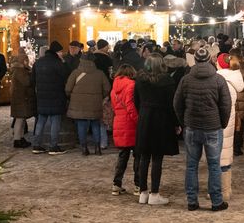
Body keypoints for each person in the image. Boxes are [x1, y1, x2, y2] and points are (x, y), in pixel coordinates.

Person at [173, 46, 232, 212]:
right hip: (213, 126)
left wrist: (184, 121)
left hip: (192, 126)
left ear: (195, 60)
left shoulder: (186, 79)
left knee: (191, 165)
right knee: (214, 165)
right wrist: (222, 122)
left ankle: (192, 201)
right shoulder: (218, 79)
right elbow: (226, 104)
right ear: (208, 59)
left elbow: (177, 103)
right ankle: (216, 201)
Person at [134, 53, 179, 205]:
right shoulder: (167, 81)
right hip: (161, 120)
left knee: (144, 156)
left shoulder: (140, 80)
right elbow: (172, 104)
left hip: (145, 117)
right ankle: (154, 193)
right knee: (157, 157)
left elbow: (136, 101)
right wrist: (176, 123)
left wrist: (143, 112)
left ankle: (143, 192)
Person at [65, 52, 110, 156]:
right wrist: (101, 96)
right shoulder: (100, 73)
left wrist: (72, 96)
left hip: (79, 104)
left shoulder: (75, 73)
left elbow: (67, 89)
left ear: (81, 61)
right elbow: (107, 88)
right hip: (95, 103)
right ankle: (98, 148)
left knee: (81, 126)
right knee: (95, 125)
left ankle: (84, 148)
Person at [30, 40, 68, 154]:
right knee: (55, 121)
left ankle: (36, 145)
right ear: (56, 52)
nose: (62, 53)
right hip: (56, 96)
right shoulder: (58, 63)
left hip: (41, 96)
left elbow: (32, 80)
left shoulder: (38, 62)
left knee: (41, 120)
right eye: (61, 51)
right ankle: (53, 146)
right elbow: (65, 77)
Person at [216, 53, 243, 203]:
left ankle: (221, 190)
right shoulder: (234, 79)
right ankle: (227, 189)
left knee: (218, 156)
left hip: (220, 120)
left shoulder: (221, 80)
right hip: (230, 119)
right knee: (225, 155)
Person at [110, 64, 140, 195]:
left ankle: (116, 184)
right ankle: (138, 185)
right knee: (137, 156)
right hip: (130, 123)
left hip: (119, 122)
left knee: (122, 155)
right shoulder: (131, 85)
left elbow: (114, 107)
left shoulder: (114, 88)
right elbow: (130, 106)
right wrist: (138, 120)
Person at [9, 49, 36, 148]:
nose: (27, 62)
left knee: (21, 119)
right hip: (20, 99)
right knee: (20, 119)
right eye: (26, 61)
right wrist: (30, 73)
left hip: (21, 98)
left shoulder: (20, 70)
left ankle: (20, 137)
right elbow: (27, 82)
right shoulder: (20, 71)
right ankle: (17, 139)